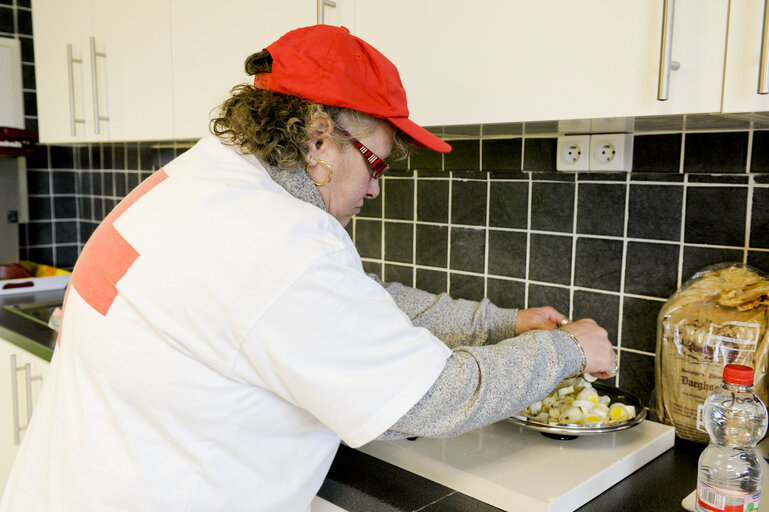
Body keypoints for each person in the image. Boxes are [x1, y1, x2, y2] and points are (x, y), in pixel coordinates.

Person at [0, 25, 615, 512]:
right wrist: (566, 349)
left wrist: (504, 323)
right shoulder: (278, 241)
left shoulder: (207, 181)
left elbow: (355, 301)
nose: (376, 189)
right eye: (377, 163)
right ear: (319, 139)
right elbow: (429, 401)